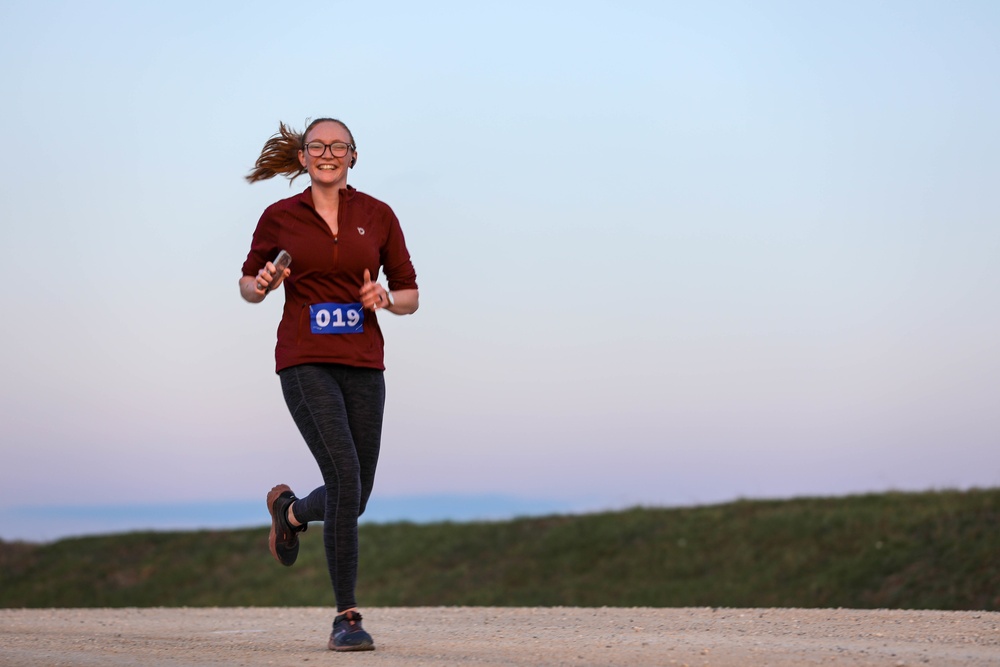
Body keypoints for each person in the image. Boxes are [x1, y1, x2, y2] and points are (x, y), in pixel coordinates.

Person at [239, 117, 419, 652]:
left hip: (364, 364)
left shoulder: (378, 215)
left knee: (355, 495)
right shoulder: (279, 217)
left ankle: (291, 512)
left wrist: (386, 299)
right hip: (305, 361)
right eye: (317, 145)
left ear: (353, 157)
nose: (327, 153)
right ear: (302, 157)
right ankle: (347, 617)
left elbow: (410, 294)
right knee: (342, 476)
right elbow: (248, 284)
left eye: (338, 146)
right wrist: (262, 283)